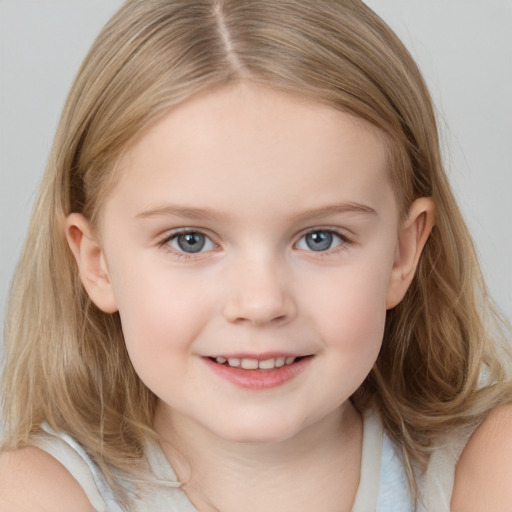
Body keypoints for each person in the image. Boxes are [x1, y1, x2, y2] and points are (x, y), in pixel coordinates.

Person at [0, 1, 511, 511]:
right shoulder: (36, 495)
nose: (261, 303)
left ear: (403, 254)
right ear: (98, 264)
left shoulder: (488, 469)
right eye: (189, 240)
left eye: (320, 238)